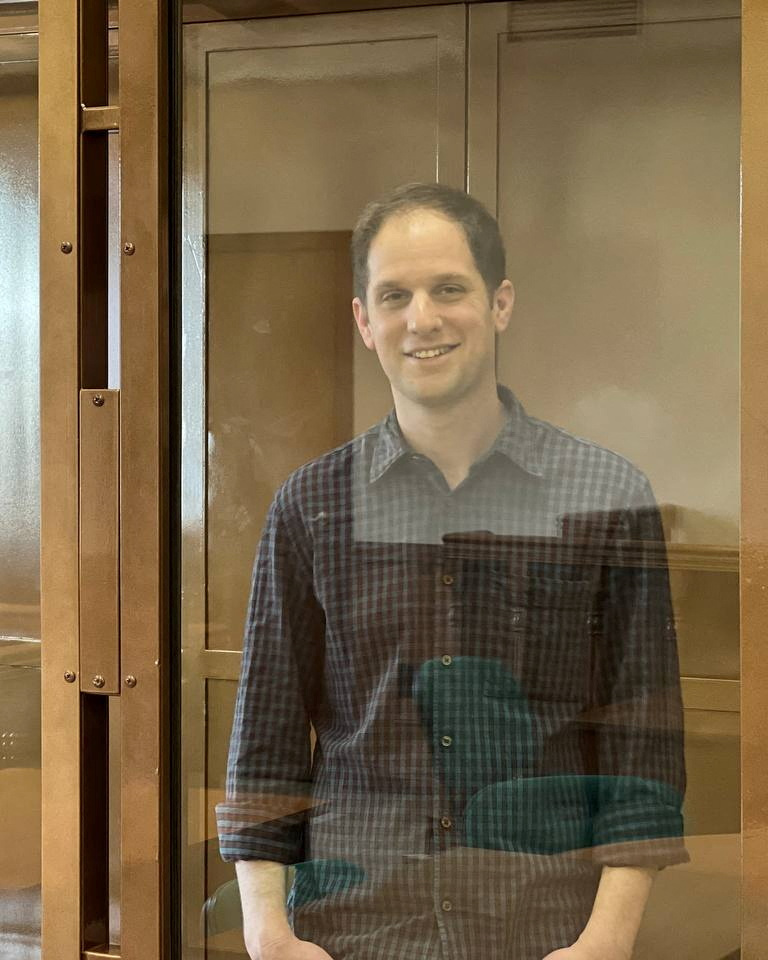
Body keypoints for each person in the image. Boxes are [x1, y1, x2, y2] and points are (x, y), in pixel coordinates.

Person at [216, 183, 686, 960]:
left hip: (543, 932)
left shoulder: (605, 495)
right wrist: (269, 934)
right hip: (353, 931)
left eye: (449, 290)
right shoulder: (314, 504)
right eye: (394, 295)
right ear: (364, 320)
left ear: (499, 303)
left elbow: (645, 749)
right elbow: (264, 740)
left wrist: (605, 942)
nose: (422, 319)